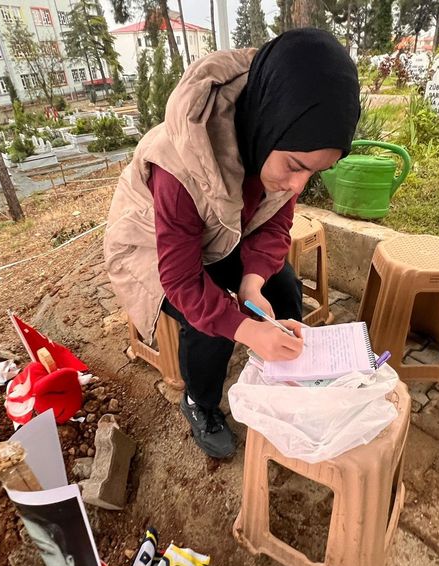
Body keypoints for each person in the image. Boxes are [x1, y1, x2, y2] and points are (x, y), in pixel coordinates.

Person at [105, 29, 360, 459]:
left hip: (219, 234)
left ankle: (288, 369)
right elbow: (183, 281)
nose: (298, 184)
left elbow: (276, 226)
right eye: (296, 166)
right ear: (267, 122)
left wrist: (252, 285)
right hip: (151, 248)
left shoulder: (280, 136)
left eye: (314, 172)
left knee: (281, 286)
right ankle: (200, 403)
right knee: (211, 327)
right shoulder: (179, 165)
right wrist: (241, 326)